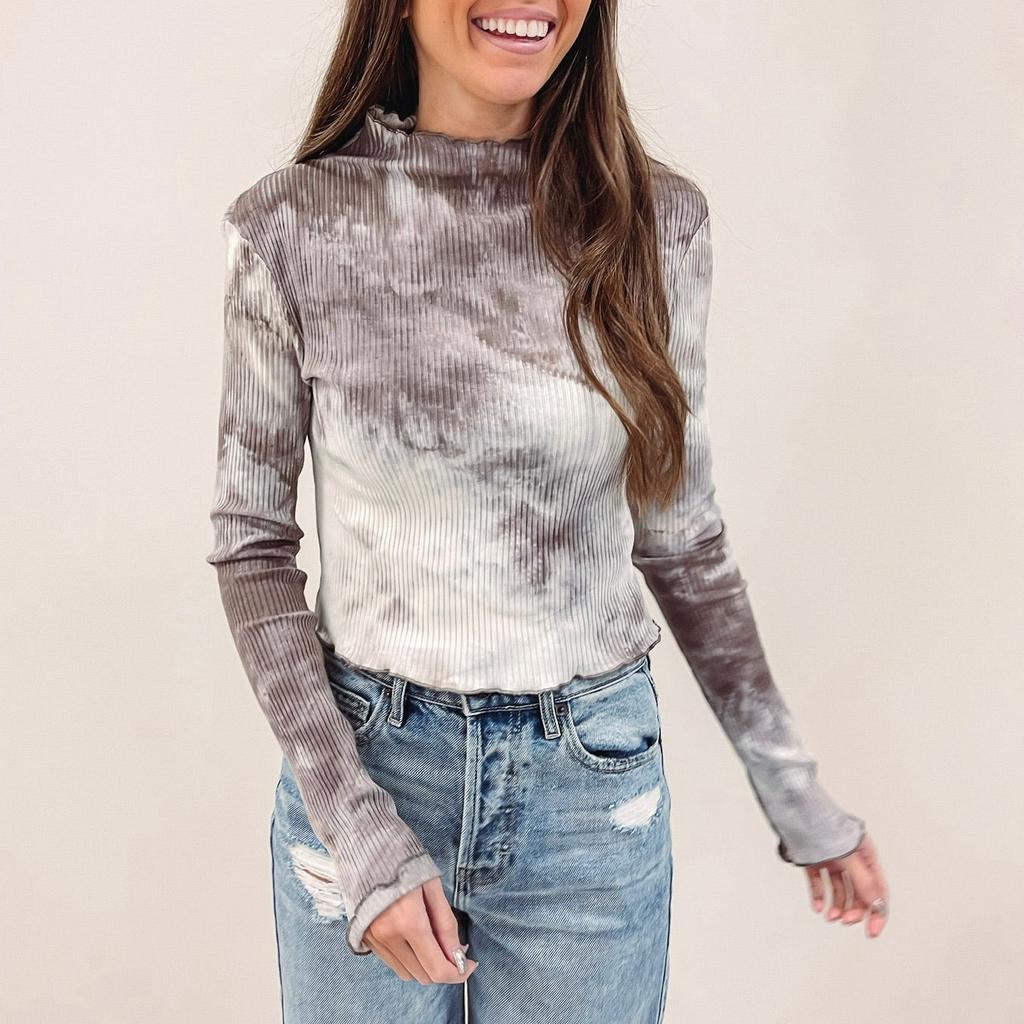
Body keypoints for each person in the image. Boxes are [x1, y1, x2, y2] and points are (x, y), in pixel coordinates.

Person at [205, 1, 889, 1020]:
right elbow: (252, 547)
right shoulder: (292, 227)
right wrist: (356, 827)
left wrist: (794, 790)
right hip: (367, 769)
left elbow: (682, 540)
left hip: (589, 793)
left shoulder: (656, 224)